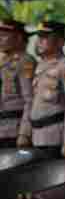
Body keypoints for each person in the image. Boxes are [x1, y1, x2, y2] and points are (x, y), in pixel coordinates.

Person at [24, 21, 65, 159]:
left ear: (60, 42)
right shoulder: (40, 66)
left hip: (55, 137)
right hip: (36, 136)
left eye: (45, 37)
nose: (39, 41)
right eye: (38, 37)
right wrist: (26, 132)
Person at [0, 19, 36, 149]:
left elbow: (30, 100)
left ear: (19, 38)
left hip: (15, 130)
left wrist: (24, 132)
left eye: (4, 36)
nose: (0, 39)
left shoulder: (25, 62)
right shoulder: (3, 62)